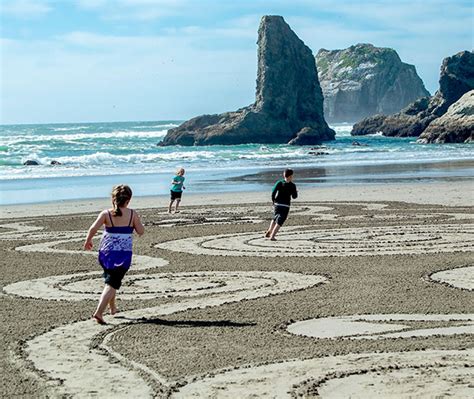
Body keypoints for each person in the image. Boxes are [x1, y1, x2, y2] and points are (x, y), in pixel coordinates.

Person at [84, 184, 144, 325]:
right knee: (112, 284)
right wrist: (137, 224)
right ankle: (99, 312)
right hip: (122, 255)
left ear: (113, 198)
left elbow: (93, 228)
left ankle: (112, 308)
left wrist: (88, 240)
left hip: (106, 253)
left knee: (111, 279)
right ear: (128, 200)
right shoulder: (131, 214)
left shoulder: (106, 214)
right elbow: (141, 231)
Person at [265, 169, 298, 241]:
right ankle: (272, 236)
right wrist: (295, 191)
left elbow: (273, 192)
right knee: (280, 221)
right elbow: (294, 197)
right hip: (285, 205)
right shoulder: (292, 185)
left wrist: (273, 200)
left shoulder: (279, 183)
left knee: (275, 217)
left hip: (277, 204)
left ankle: (270, 230)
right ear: (290, 176)